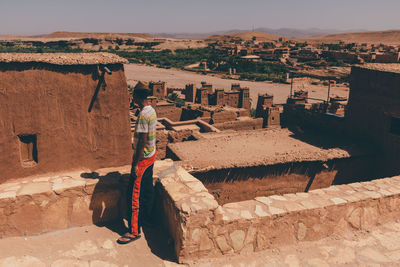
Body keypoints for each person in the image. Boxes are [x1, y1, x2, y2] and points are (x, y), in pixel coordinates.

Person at [118, 81, 157, 244]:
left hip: (142, 159)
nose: (132, 97)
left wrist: (135, 164)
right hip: (152, 156)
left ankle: (134, 231)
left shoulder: (143, 116)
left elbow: (140, 141)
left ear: (137, 97)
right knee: (147, 191)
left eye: (133, 95)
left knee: (134, 195)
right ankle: (147, 219)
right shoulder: (151, 110)